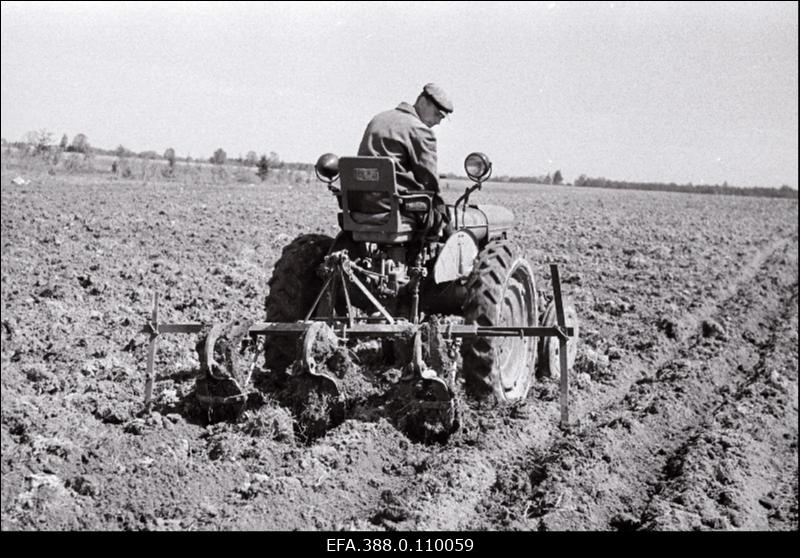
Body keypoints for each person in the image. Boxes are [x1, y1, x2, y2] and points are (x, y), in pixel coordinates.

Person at [355, 83, 454, 235]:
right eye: (437, 114)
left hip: (361, 205)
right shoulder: (419, 130)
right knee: (443, 222)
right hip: (392, 208)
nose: (438, 122)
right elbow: (429, 180)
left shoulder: (379, 119)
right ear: (422, 102)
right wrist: (443, 214)